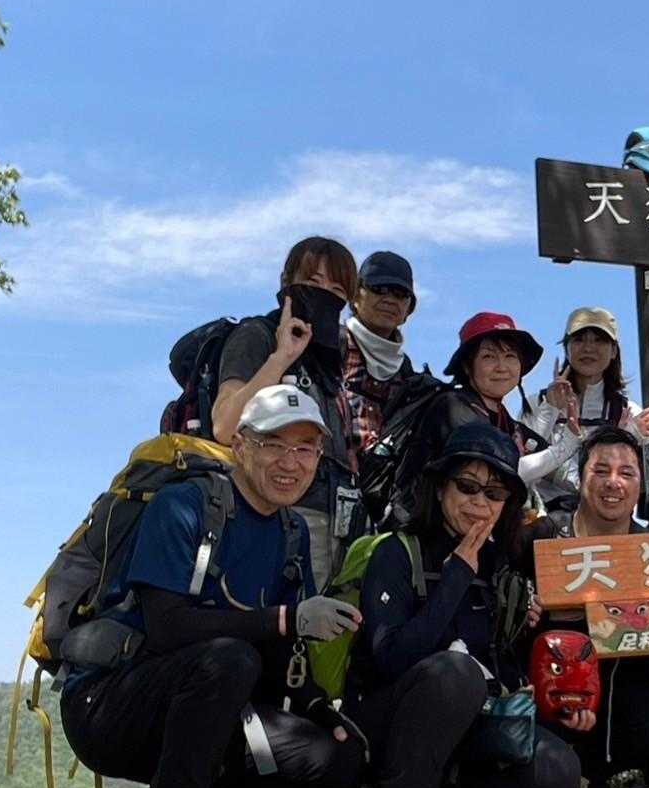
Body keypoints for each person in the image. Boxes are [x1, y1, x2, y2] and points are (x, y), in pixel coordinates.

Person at [60, 386, 365, 788]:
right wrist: (287, 619)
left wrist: (318, 709)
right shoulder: (185, 506)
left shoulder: (292, 532)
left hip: (208, 701)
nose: (291, 462)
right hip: (107, 704)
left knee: (333, 754)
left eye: (305, 448)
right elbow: (167, 628)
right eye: (274, 445)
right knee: (230, 660)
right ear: (240, 446)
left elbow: (280, 653)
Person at [343, 422, 581, 788]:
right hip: (387, 721)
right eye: (467, 486)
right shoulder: (397, 551)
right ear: (439, 488)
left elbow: (493, 664)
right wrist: (455, 577)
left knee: (560, 773)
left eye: (494, 493)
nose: (479, 502)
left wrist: (518, 630)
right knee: (456, 674)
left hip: (465, 731)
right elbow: (391, 658)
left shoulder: (498, 562)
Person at [529, 425, 649, 788]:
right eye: (601, 471)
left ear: (640, 485)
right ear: (580, 479)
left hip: (634, 695)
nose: (613, 483)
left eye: (626, 473)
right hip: (557, 694)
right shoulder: (544, 535)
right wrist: (530, 614)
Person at [212, 237, 359, 588]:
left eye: (337, 290)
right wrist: (281, 358)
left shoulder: (330, 361)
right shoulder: (257, 336)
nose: (324, 295)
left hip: (336, 526)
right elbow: (224, 425)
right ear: (286, 282)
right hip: (271, 516)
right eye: (312, 282)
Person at [387, 312, 569, 527]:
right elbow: (498, 472)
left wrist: (552, 408)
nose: (502, 367)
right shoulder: (453, 408)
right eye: (489, 357)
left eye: (510, 356)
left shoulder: (506, 421)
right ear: (467, 365)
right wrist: (565, 447)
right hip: (423, 533)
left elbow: (543, 458)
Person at [522, 307, 649, 513]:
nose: (588, 348)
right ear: (567, 348)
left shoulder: (630, 413)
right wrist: (549, 410)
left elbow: (640, 482)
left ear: (614, 351)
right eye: (579, 339)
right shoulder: (537, 402)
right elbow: (521, 462)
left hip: (607, 518)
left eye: (599, 340)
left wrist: (628, 439)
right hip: (544, 518)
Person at [342, 250, 419, 467]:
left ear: (408, 310)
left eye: (400, 294)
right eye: (379, 289)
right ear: (355, 296)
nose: (390, 300)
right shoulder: (333, 345)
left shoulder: (406, 370)